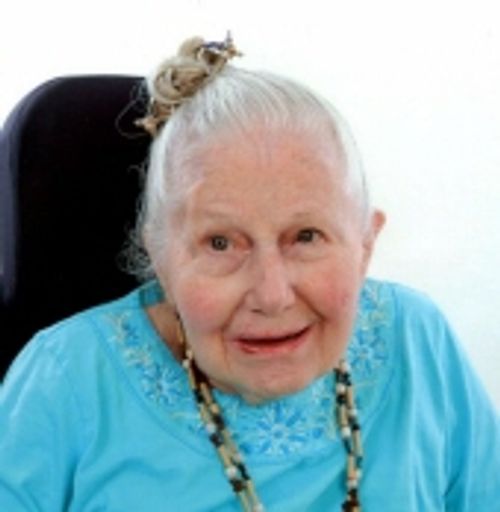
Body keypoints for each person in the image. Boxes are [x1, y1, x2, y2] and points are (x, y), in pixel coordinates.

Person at [1, 34, 499, 512]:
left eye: (306, 237)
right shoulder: (65, 378)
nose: (272, 294)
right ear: (161, 258)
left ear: (365, 245)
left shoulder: (417, 339)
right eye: (220, 243)